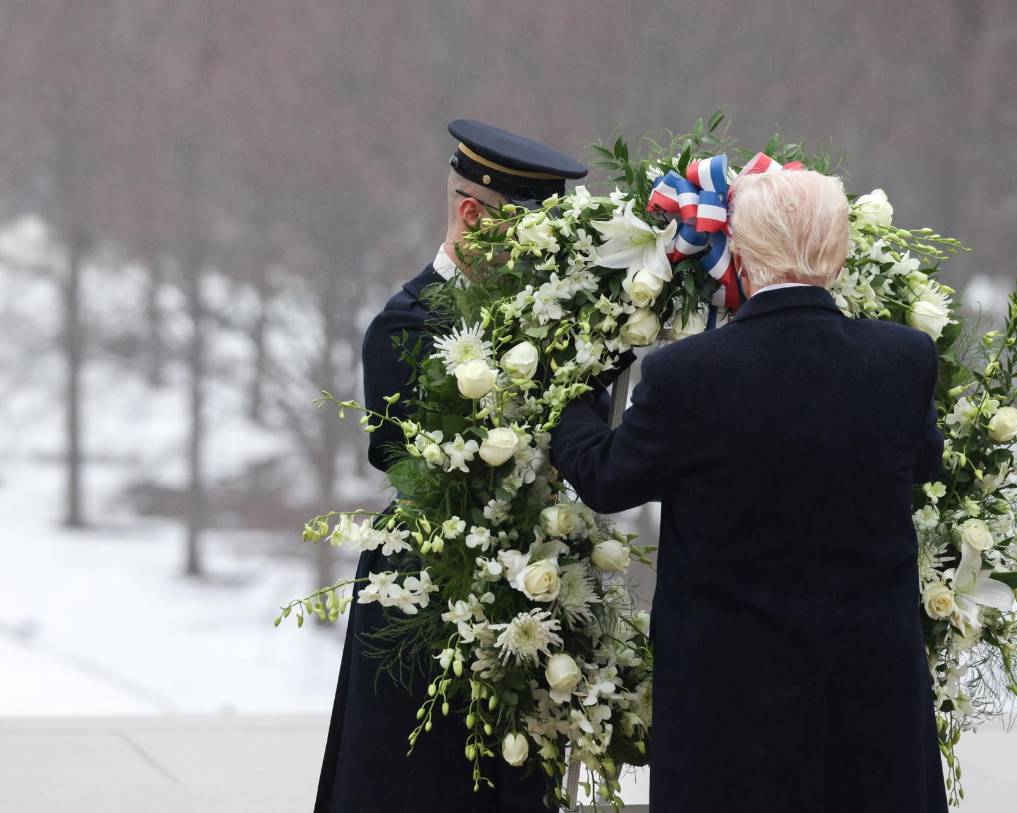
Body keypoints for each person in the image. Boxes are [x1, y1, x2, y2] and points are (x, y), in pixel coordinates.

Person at [549, 170, 948, 812]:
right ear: (840, 252)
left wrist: (571, 397)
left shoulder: (688, 375)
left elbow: (606, 476)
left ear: (738, 251)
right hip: (870, 696)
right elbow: (925, 464)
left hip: (728, 708)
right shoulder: (903, 360)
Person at [315, 119, 587, 813]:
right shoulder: (404, 326)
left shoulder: (543, 320)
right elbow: (416, 468)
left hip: (522, 600)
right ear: (473, 214)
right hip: (423, 604)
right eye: (530, 235)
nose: (542, 256)